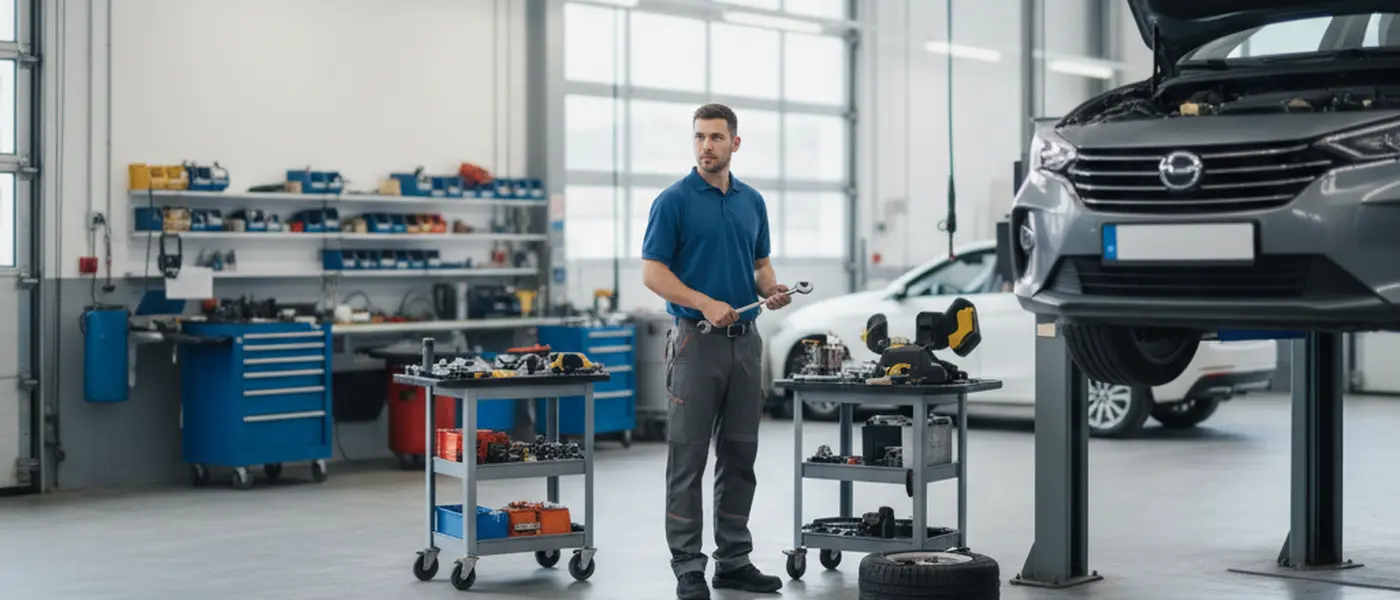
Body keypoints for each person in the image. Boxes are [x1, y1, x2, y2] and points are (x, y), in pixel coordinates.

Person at [640, 103, 791, 600]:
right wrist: (703, 302)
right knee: (688, 459)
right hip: (694, 342)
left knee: (740, 455)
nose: (706, 145)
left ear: (735, 143)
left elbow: (760, 263)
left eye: (716, 137)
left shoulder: (752, 202)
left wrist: (771, 288)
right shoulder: (673, 202)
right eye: (700, 137)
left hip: (745, 344)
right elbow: (653, 272)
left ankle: (734, 561)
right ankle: (688, 566)